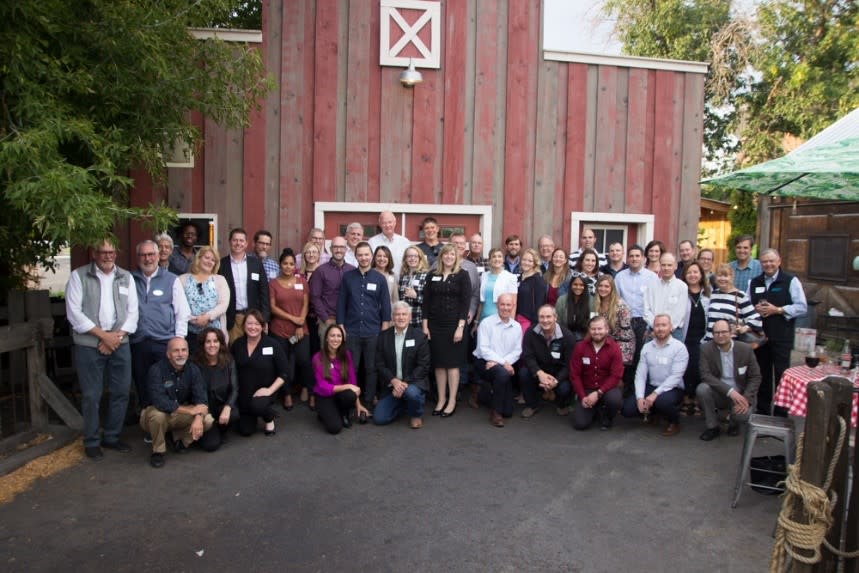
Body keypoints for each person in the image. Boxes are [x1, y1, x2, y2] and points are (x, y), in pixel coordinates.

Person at [65, 238, 139, 460]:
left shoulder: (126, 277)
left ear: (116, 253)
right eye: (103, 252)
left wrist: (115, 338)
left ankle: (112, 437)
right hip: (89, 344)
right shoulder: (79, 276)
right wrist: (104, 337)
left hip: (120, 342)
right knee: (91, 395)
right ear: (94, 254)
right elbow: (74, 314)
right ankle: (91, 441)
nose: (108, 256)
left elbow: (133, 313)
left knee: (121, 392)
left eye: (111, 252)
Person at [130, 240, 190, 413]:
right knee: (142, 383)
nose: (147, 259)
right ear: (138, 257)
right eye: (143, 255)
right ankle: (148, 420)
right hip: (138, 341)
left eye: (151, 254)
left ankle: (169, 419)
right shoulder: (130, 279)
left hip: (164, 342)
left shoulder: (171, 280)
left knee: (167, 384)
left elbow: (182, 312)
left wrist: (178, 340)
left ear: (158, 256)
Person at [750, 248, 807, 415]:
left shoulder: (790, 281)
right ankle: (762, 411)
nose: (768, 264)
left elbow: (802, 306)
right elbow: (747, 305)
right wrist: (754, 309)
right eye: (764, 262)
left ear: (779, 261)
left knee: (782, 375)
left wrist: (778, 310)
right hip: (760, 337)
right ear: (760, 264)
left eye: (771, 261)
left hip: (782, 336)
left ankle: (781, 413)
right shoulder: (754, 282)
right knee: (762, 375)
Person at [140, 337, 214, 468]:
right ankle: (158, 451)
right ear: (168, 354)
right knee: (158, 416)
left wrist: (198, 417)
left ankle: (180, 441)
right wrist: (190, 411)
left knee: (207, 420)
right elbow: (160, 402)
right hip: (156, 413)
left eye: (184, 350)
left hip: (179, 414)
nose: (180, 354)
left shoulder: (193, 369)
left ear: (188, 352)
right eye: (176, 350)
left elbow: (201, 399)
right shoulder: (156, 370)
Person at [336, 241, 391, 408]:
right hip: (351, 330)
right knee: (352, 368)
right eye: (360, 255)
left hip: (373, 331)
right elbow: (341, 303)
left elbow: (386, 305)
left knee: (371, 369)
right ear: (356, 256)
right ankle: (353, 402)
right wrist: (341, 325)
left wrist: (384, 328)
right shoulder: (348, 277)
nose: (364, 258)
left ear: (371, 256)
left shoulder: (380, 279)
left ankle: (368, 402)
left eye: (366, 254)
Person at [423, 244, 471, 416]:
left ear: (456, 257)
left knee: (452, 364)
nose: (449, 257)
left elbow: (465, 303)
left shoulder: (462, 275)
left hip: (453, 325)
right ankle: (441, 399)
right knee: (438, 364)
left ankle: (451, 401)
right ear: (441, 257)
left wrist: (460, 327)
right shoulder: (432, 275)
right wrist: (425, 326)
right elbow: (426, 302)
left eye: (452, 254)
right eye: (446, 254)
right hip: (435, 325)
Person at [621, 315, 688, 436]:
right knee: (628, 410)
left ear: (671, 328)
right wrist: (640, 397)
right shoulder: (647, 347)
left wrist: (655, 394)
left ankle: (674, 422)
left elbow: (676, 377)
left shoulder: (679, 348)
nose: (660, 328)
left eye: (664, 325)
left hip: (673, 388)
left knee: (663, 402)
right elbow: (640, 374)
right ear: (653, 328)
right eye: (657, 325)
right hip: (652, 386)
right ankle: (655, 412)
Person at [697, 319, 762, 440]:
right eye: (717, 333)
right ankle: (712, 427)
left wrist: (746, 398)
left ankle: (734, 423)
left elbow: (755, 377)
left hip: (741, 394)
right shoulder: (706, 349)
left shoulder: (745, 349)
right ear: (713, 334)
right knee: (702, 389)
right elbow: (705, 375)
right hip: (720, 392)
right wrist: (730, 392)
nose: (720, 335)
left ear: (731, 333)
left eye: (724, 332)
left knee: (742, 415)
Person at [374, 302, 431, 429]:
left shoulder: (419, 337)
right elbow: (380, 364)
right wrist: (393, 381)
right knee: (379, 418)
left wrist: (404, 383)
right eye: (397, 314)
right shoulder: (383, 336)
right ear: (393, 317)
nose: (401, 317)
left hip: (413, 383)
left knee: (411, 393)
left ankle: (416, 414)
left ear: (410, 317)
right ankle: (405, 405)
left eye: (404, 314)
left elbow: (423, 366)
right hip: (392, 384)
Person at [231, 310, 288, 436]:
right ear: (244, 325)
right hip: (244, 394)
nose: (253, 327)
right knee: (246, 431)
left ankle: (269, 417)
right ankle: (256, 413)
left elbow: (284, 373)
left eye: (257, 324)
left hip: (265, 392)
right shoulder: (237, 344)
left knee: (258, 406)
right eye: (249, 323)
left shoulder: (272, 344)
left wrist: (270, 390)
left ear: (263, 326)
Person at [268, 248, 312, 411]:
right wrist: (293, 319)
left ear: (295, 266)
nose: (288, 266)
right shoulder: (273, 284)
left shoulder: (302, 282)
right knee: (283, 363)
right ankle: (286, 394)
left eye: (291, 264)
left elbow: (306, 304)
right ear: (280, 264)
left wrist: (299, 324)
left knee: (304, 361)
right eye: (285, 263)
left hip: (300, 330)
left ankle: (309, 390)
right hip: (280, 330)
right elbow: (272, 307)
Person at [614, 245, 658, 395]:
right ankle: (625, 390)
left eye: (637, 256)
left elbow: (654, 302)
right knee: (624, 358)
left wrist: (651, 326)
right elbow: (616, 299)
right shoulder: (620, 277)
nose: (634, 259)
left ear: (643, 258)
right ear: (627, 258)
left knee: (640, 356)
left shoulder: (651, 277)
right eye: (631, 256)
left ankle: (637, 391)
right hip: (624, 321)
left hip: (643, 322)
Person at [473, 294, 522, 427]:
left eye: (508, 305)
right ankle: (496, 412)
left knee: (509, 412)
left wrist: (501, 363)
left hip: (501, 365)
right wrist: (504, 363)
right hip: (484, 362)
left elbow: (517, 351)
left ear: (513, 306)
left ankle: (483, 393)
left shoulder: (517, 326)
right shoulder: (486, 323)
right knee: (502, 374)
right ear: (497, 305)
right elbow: (484, 349)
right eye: (502, 304)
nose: (505, 308)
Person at [519, 305, 575, 418]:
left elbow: (569, 364)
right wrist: (540, 373)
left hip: (558, 373)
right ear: (538, 318)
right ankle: (532, 405)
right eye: (542, 317)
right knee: (524, 373)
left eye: (548, 316)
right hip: (539, 370)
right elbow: (528, 356)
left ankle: (562, 405)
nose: (545, 320)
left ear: (555, 317)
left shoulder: (567, 336)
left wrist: (556, 381)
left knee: (564, 388)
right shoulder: (530, 332)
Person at [569, 316, 624, 431]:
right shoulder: (580, 347)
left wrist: (598, 393)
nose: (597, 332)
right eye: (593, 329)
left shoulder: (614, 348)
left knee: (614, 400)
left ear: (607, 329)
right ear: (589, 330)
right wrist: (582, 396)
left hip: (607, 389)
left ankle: (607, 417)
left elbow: (616, 376)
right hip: (587, 390)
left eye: (600, 329)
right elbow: (575, 375)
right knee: (580, 424)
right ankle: (595, 408)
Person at [312, 324, 370, 434]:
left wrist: (358, 405)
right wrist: (347, 386)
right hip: (324, 396)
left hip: (341, 395)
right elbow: (323, 386)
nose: (336, 339)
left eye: (339, 336)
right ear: (326, 338)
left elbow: (352, 380)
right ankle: (324, 413)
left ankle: (344, 413)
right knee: (334, 428)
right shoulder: (317, 357)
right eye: (332, 335)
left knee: (350, 394)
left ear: (342, 339)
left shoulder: (346, 355)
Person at [192, 327, 239, 451]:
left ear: (220, 343)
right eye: (208, 341)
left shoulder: (229, 360)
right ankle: (211, 429)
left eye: (215, 341)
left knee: (234, 414)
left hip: (221, 406)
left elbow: (235, 388)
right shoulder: (194, 364)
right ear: (202, 344)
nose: (212, 345)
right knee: (211, 445)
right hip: (204, 409)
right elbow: (194, 394)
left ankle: (220, 429)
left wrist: (228, 407)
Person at [219, 227, 270, 341]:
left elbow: (264, 292)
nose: (238, 243)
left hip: (254, 318)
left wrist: (265, 319)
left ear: (246, 243)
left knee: (255, 348)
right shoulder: (221, 265)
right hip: (232, 318)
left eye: (241, 240)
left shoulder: (256, 264)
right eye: (235, 240)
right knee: (234, 349)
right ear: (230, 242)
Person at [179, 245, 230, 350]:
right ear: (199, 258)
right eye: (207, 258)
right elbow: (179, 305)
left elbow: (223, 304)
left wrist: (207, 316)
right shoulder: (182, 279)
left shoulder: (220, 280)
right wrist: (194, 320)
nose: (209, 261)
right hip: (190, 334)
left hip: (214, 336)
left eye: (213, 260)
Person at [309, 236, 355, 342]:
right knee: (327, 351)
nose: (338, 250)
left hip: (349, 322)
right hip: (328, 320)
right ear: (330, 249)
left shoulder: (352, 270)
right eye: (335, 247)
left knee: (347, 351)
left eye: (341, 247)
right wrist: (325, 319)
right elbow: (315, 297)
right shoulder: (320, 271)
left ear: (346, 249)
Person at [680, 262, 710, 417]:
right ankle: (686, 399)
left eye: (695, 272)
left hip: (702, 338)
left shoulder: (708, 294)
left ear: (701, 275)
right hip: (685, 337)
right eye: (689, 272)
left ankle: (698, 400)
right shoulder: (681, 292)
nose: (692, 275)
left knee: (699, 369)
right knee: (685, 368)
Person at [705, 264, 763, 342]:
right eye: (719, 275)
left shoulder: (740, 296)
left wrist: (744, 328)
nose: (722, 278)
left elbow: (756, 318)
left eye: (725, 276)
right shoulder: (713, 294)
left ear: (731, 277)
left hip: (729, 343)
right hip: (710, 341)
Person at [644, 253, 687, 339]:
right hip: (653, 331)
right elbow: (646, 310)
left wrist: (664, 329)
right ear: (660, 266)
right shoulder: (651, 285)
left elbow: (680, 313)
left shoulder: (682, 286)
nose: (666, 268)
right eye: (663, 265)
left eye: (669, 265)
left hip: (674, 332)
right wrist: (657, 328)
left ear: (675, 266)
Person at [594, 275, 634, 367]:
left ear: (612, 288)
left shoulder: (621, 307)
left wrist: (617, 354)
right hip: (602, 343)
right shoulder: (595, 304)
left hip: (622, 345)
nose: (603, 289)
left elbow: (626, 334)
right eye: (600, 286)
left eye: (606, 286)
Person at [476, 247, 518, 322]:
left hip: (501, 320)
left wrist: (510, 323)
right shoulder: (484, 276)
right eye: (494, 256)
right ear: (489, 260)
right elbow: (482, 302)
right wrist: (476, 321)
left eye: (499, 256)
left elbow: (513, 304)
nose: (497, 259)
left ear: (503, 260)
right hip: (483, 319)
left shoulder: (510, 277)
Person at [368, 211, 411, 275]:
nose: (387, 225)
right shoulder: (372, 242)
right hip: (377, 279)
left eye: (390, 222)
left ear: (395, 223)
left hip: (400, 280)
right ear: (380, 224)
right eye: (384, 223)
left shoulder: (405, 242)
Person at [398, 246, 430, 328]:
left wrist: (416, 296)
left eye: (415, 256)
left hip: (419, 322)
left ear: (420, 258)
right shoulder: (403, 276)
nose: (412, 258)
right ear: (405, 259)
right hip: (403, 322)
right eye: (409, 256)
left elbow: (431, 301)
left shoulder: (426, 276)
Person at [555, 275, 593, 341]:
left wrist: (584, 342)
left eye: (581, 285)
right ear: (571, 285)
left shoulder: (592, 301)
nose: (578, 287)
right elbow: (557, 322)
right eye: (575, 284)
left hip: (585, 338)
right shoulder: (561, 300)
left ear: (585, 286)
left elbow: (594, 322)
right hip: (565, 336)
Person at [516, 248, 547, 325]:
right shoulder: (517, 278)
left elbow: (539, 304)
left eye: (530, 261)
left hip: (529, 321)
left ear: (534, 263)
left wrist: (534, 324)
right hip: (515, 318)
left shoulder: (538, 281)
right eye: (524, 260)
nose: (526, 263)